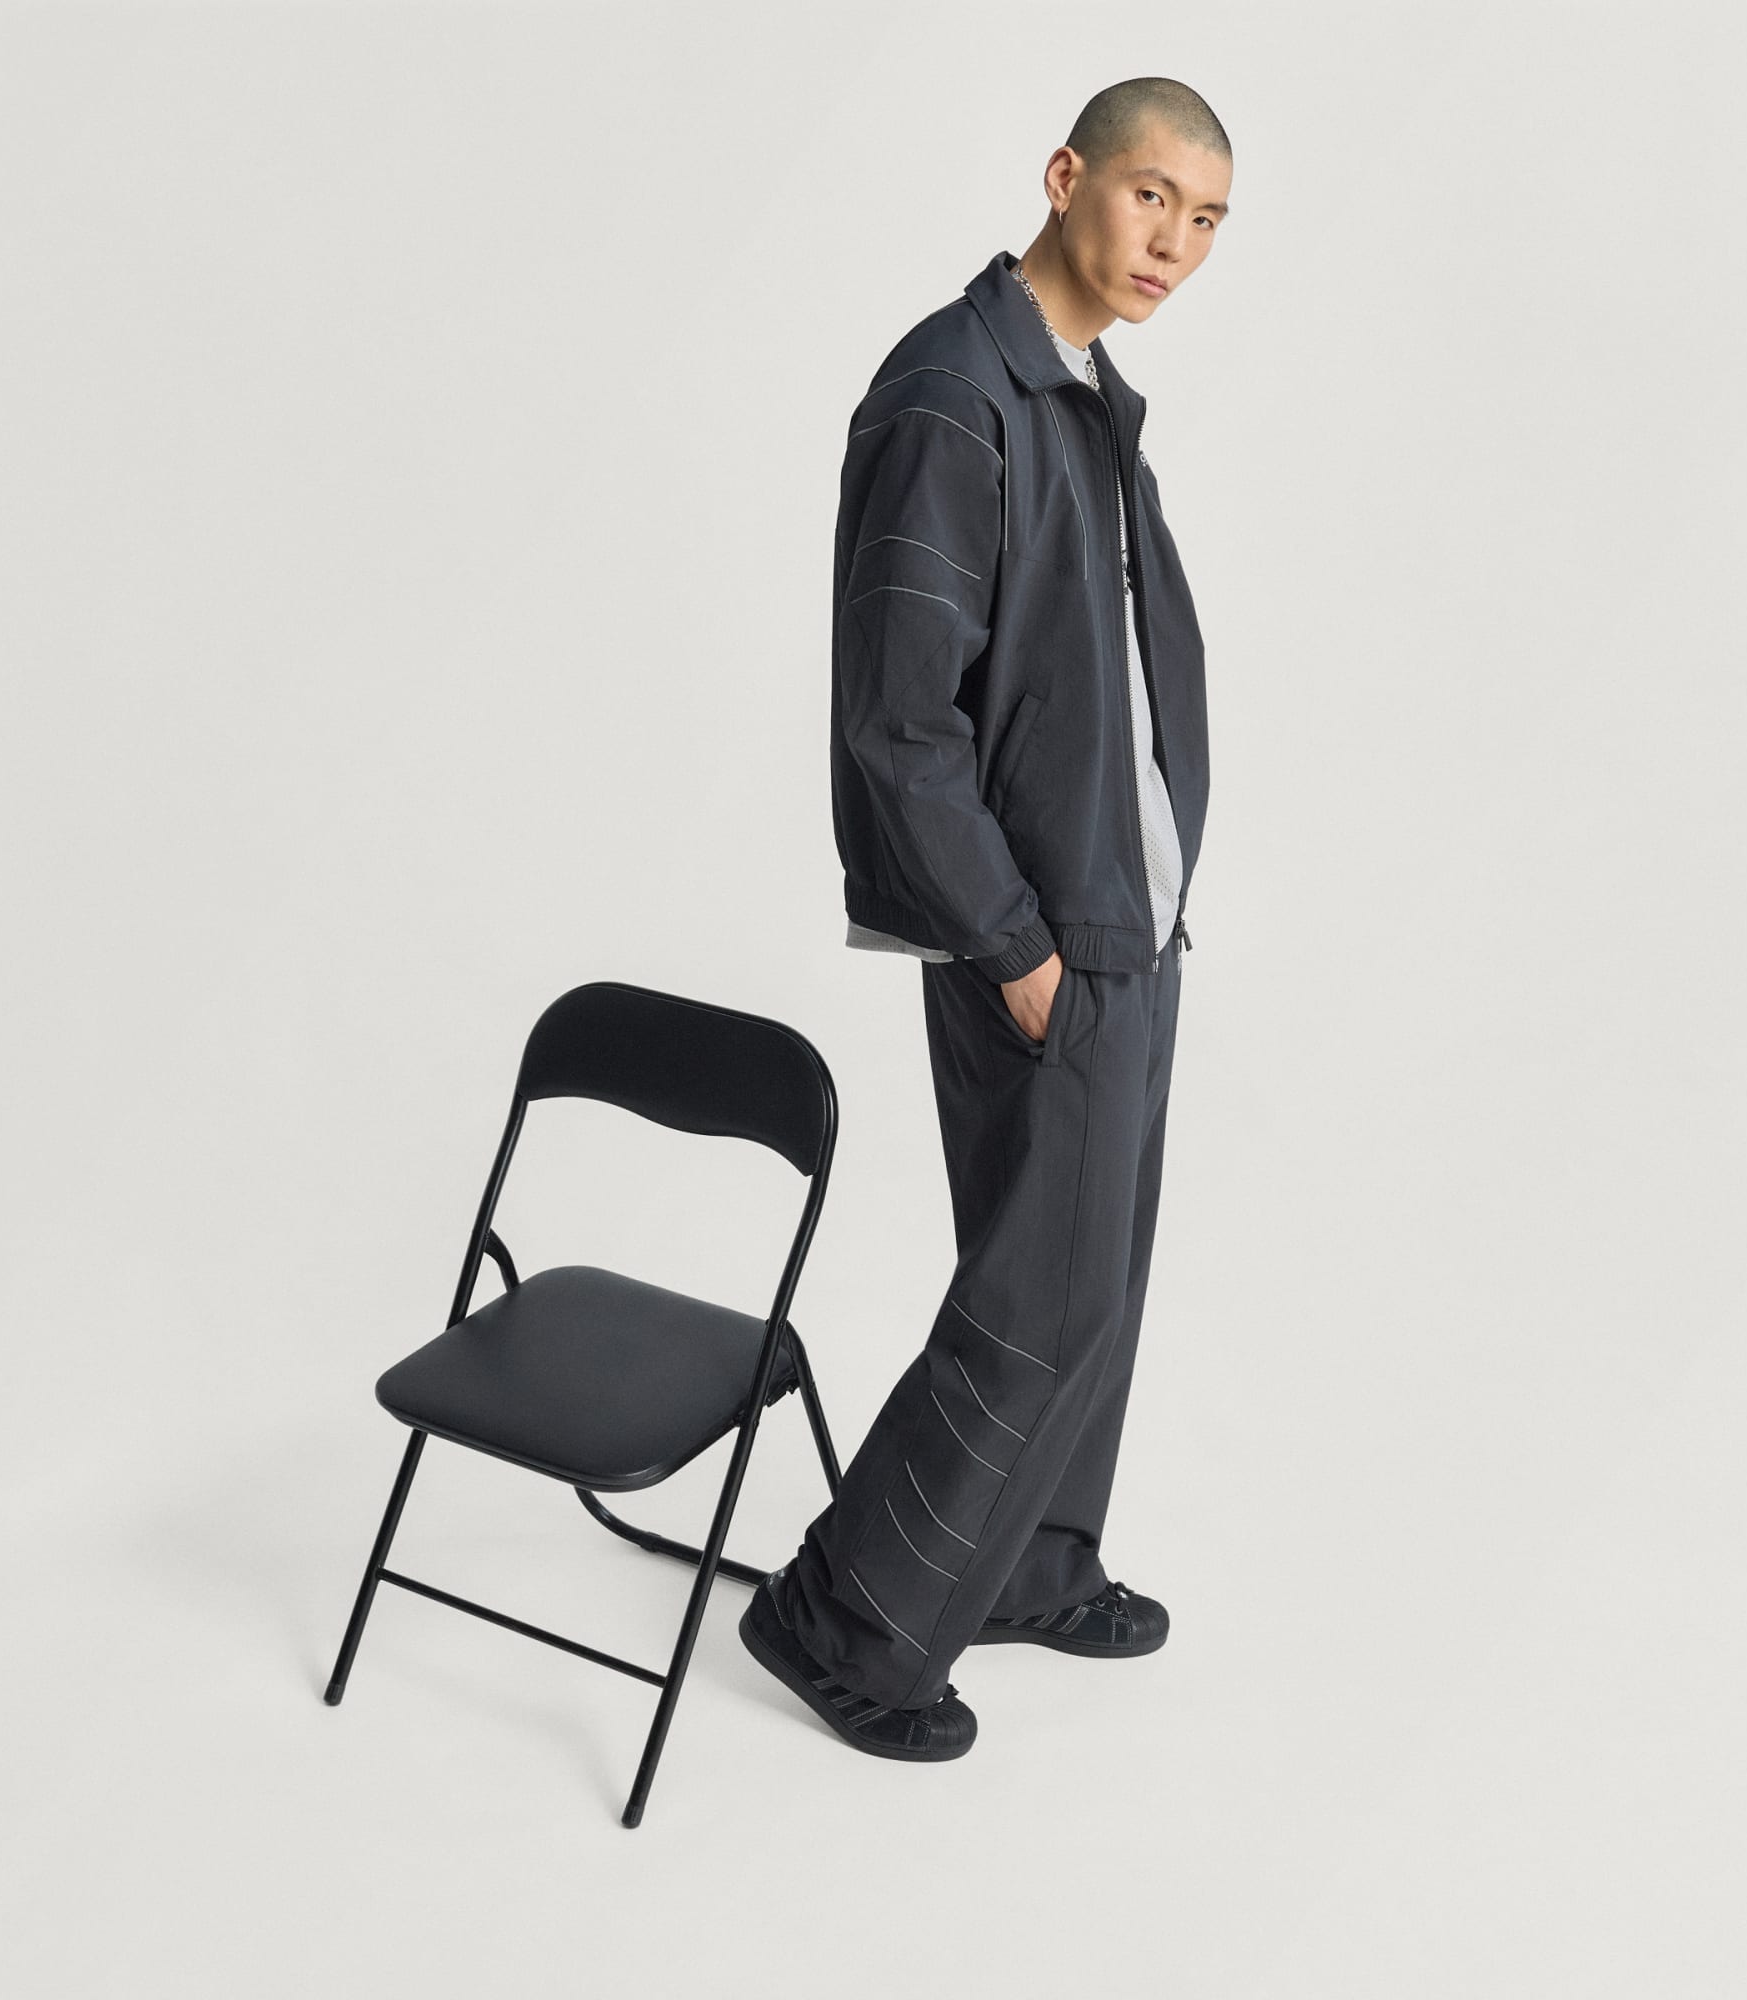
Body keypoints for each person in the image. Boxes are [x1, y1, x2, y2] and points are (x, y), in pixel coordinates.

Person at [740, 77, 1232, 1761]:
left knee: (1095, 1283)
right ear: (1066, 174)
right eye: (1153, 197)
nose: (1174, 244)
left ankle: (1027, 1559)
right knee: (1038, 1298)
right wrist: (1011, 946)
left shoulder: (1080, 396)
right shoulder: (955, 392)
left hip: (1127, 920)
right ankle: (845, 1618)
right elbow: (901, 717)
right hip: (1046, 933)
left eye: (1207, 221)